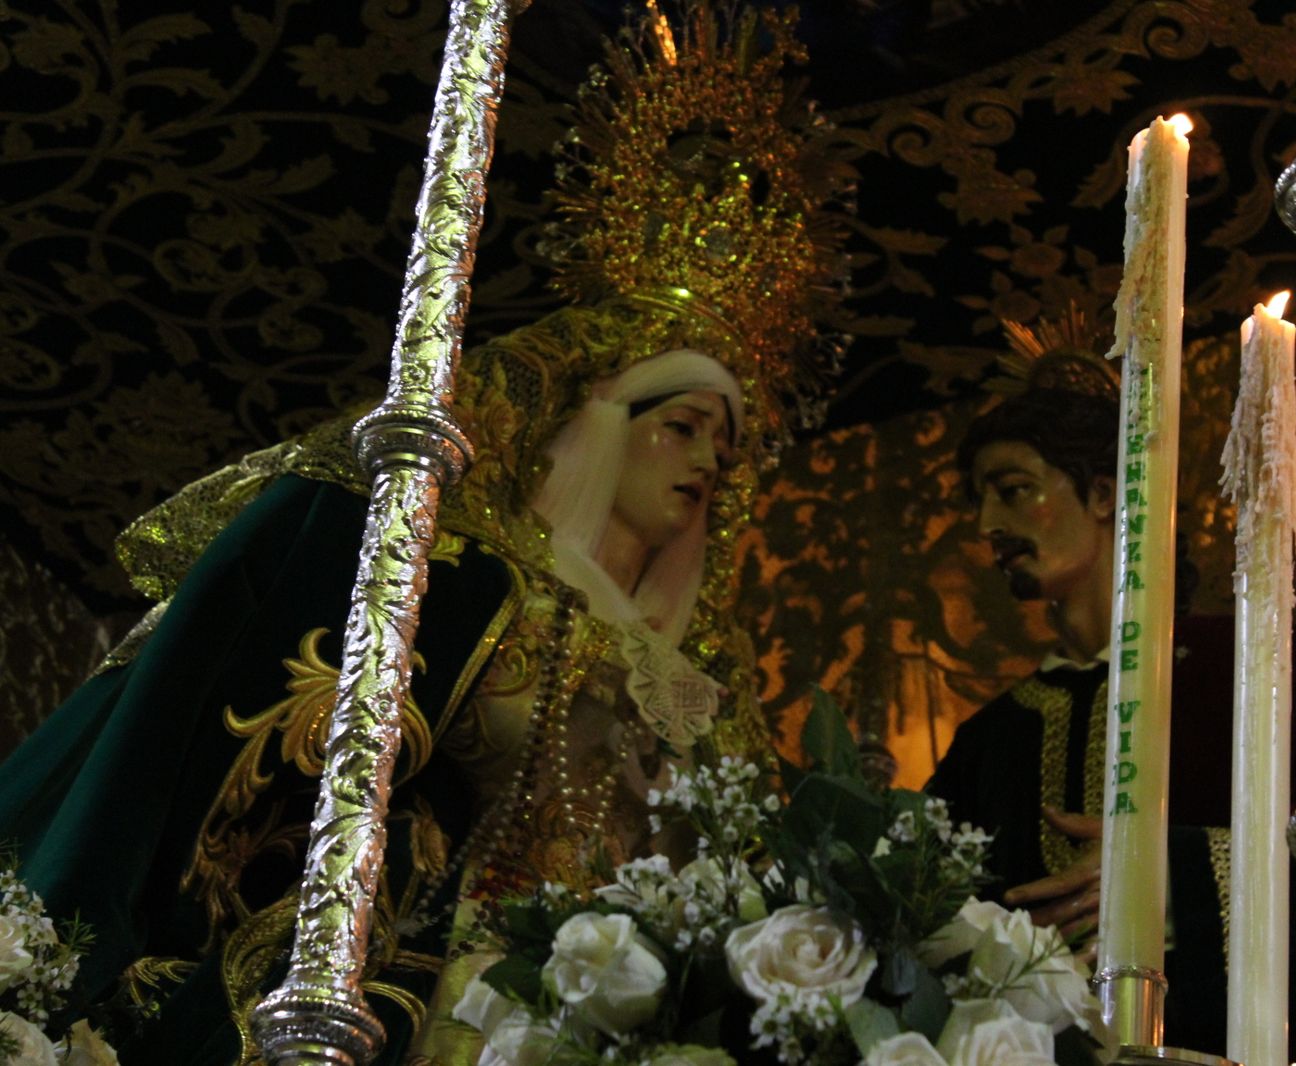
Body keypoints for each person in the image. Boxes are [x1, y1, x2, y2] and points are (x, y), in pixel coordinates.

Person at [0, 4, 848, 1064]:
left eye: (723, 451)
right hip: (441, 989)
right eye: (680, 427)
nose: (703, 466)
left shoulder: (700, 694)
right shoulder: (473, 587)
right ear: (596, 428)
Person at [926, 348, 1296, 1060]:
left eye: (1012, 489)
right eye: (979, 499)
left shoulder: (1262, 671)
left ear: (1106, 494)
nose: (987, 521)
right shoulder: (987, 743)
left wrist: (1173, 873)